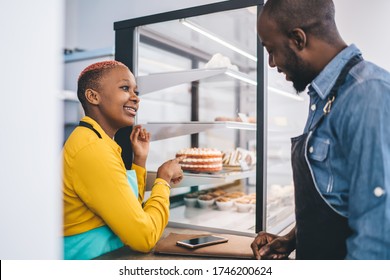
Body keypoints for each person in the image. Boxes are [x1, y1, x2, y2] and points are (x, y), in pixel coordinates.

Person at [251, 0, 390, 260]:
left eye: (272, 50)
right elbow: (339, 195)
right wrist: (294, 238)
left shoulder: (368, 93)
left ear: (298, 40)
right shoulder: (324, 97)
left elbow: (378, 236)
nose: (271, 63)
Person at [62, 60, 184, 260]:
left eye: (136, 91)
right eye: (125, 88)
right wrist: (164, 180)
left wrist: (139, 160)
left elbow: (130, 212)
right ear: (93, 96)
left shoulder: (97, 140)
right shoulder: (92, 149)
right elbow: (144, 238)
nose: (136, 98)